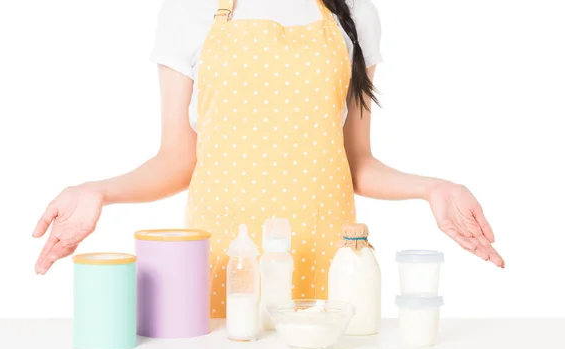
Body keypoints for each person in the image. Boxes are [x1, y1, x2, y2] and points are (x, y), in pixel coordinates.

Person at [33, 0, 504, 317]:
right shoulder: (189, 8)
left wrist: (433, 189)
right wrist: (98, 192)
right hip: (222, 265)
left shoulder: (354, 11)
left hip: (328, 266)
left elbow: (355, 161)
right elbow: (178, 159)